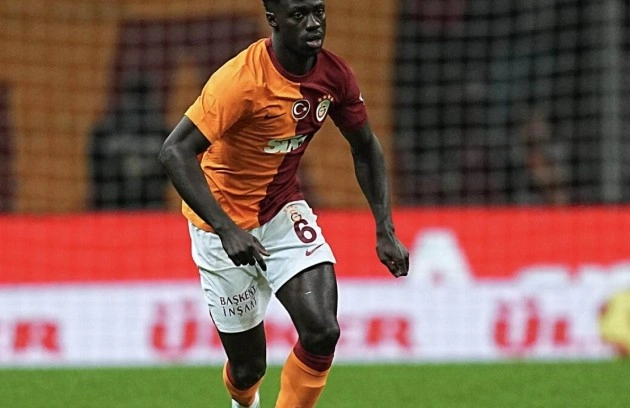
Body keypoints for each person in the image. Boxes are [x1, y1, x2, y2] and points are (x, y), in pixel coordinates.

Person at [158, 1, 410, 407]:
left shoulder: (335, 75)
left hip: (282, 213)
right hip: (220, 229)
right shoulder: (240, 81)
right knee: (248, 369)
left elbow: (366, 148)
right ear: (273, 20)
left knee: (322, 331)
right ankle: (243, 401)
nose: (313, 24)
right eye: (299, 15)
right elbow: (174, 152)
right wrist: (226, 228)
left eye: (319, 12)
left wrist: (385, 228)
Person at [90, 76, 170, 209]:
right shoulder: (104, 131)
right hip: (112, 206)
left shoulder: (163, 133)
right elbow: (96, 174)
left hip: (152, 206)